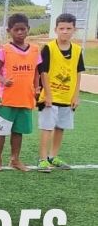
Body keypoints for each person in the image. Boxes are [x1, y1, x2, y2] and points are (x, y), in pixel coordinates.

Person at [0, 12, 40, 172]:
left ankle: (15, 160)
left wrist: (37, 87)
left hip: (25, 98)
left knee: (18, 132)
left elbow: (36, 72)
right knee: (1, 131)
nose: (20, 33)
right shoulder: (4, 50)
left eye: (23, 29)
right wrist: (3, 80)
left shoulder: (35, 50)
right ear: (9, 31)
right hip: (7, 99)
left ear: (28, 30)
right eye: (16, 30)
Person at [36, 12, 84, 172]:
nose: (65, 31)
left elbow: (78, 74)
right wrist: (48, 94)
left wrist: (76, 95)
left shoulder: (77, 50)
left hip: (67, 97)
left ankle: (53, 156)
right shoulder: (49, 48)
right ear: (55, 29)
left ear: (74, 30)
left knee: (60, 127)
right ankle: (42, 159)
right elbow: (44, 72)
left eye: (68, 28)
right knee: (47, 127)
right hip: (50, 97)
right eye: (61, 28)